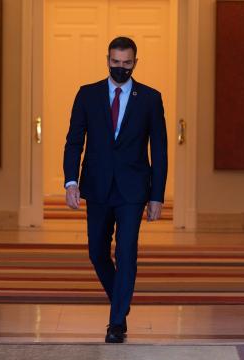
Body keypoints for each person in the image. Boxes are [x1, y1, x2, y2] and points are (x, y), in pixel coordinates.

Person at [63, 36, 168, 343]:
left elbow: (158, 150)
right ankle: (121, 299)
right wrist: (71, 181)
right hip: (96, 186)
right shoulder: (87, 95)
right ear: (106, 59)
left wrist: (156, 196)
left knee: (126, 252)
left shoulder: (149, 98)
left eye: (127, 63)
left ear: (135, 62)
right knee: (97, 250)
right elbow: (74, 141)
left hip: (133, 189)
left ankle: (116, 323)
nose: (120, 68)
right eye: (115, 62)